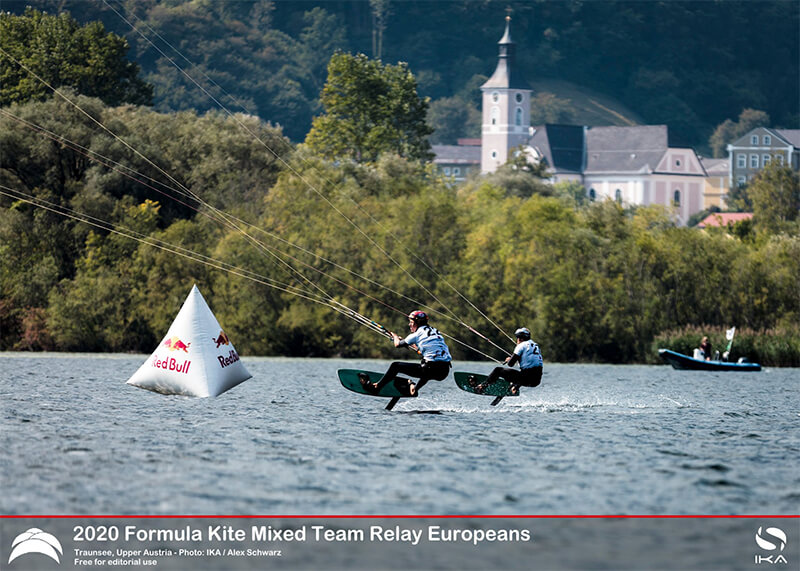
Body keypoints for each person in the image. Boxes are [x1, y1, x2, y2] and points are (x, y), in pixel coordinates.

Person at [360, 310, 452, 395]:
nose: (409, 325)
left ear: (417, 323)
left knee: (396, 366)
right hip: (444, 372)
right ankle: (415, 389)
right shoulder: (435, 331)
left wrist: (395, 336)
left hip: (430, 368)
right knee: (426, 365)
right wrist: (407, 343)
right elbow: (428, 348)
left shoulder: (416, 334)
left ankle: (376, 387)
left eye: (411, 322)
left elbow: (397, 345)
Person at [476, 327, 543, 395]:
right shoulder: (535, 345)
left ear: (520, 338)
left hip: (525, 379)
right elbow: (531, 361)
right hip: (536, 381)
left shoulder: (521, 346)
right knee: (522, 373)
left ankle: (482, 387)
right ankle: (515, 387)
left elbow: (511, 364)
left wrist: (509, 360)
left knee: (498, 370)